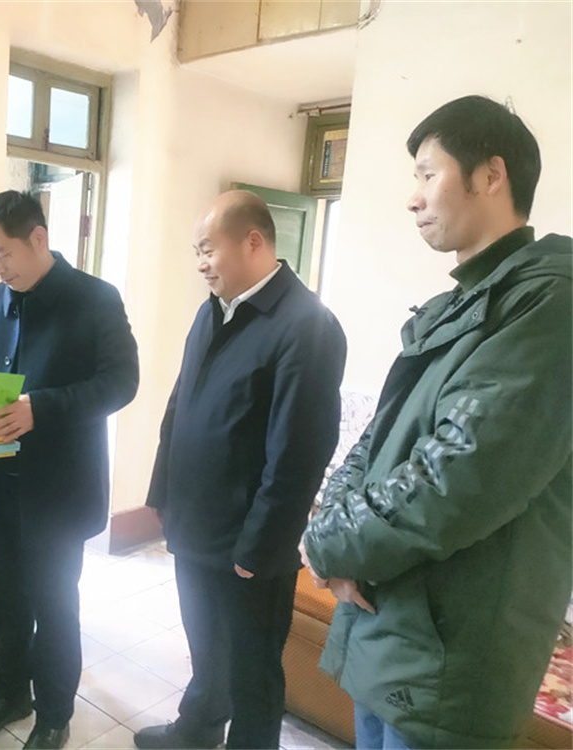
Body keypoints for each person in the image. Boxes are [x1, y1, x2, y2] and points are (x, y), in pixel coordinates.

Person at [301, 95, 573, 749]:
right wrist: (327, 529)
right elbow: (376, 440)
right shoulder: (462, 304)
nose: (413, 197)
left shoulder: (549, 303)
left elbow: (456, 476)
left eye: (428, 173)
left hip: (453, 656)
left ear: (491, 175)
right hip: (396, 629)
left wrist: (330, 546)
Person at [136, 190, 346, 749]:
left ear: (253, 242)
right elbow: (179, 408)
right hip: (195, 524)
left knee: (253, 670)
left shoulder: (305, 326)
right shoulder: (214, 311)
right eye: (197, 253)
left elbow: (299, 453)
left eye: (208, 249)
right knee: (206, 646)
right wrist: (162, 493)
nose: (201, 264)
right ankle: (198, 730)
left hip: (248, 544)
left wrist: (260, 546)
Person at [0, 190, 138, 750]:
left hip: (57, 494)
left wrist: (42, 407)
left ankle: (55, 713)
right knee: (6, 602)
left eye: (3, 253)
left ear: (38, 238)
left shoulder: (95, 299)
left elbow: (121, 383)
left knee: (56, 607)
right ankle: (10, 692)